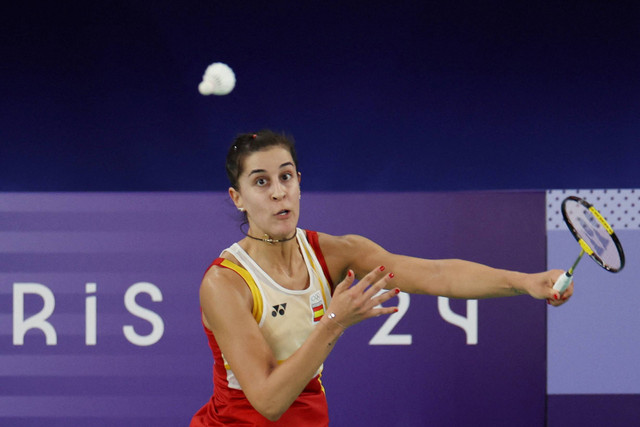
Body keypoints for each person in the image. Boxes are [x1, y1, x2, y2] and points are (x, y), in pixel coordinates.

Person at [190, 130, 573, 426]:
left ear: (299, 181)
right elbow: (269, 402)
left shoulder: (335, 252)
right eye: (260, 182)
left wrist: (526, 281)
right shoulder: (225, 284)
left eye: (285, 177)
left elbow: (437, 274)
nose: (278, 193)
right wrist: (335, 320)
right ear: (237, 197)